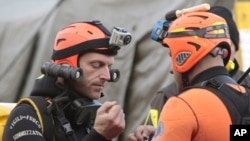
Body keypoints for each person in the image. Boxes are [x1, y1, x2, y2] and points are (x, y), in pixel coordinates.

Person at [127, 11, 249, 141]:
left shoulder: (182, 104)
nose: (171, 69)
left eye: (171, 56)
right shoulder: (245, 98)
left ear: (185, 53)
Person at [3, 20, 129, 141]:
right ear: (66, 66)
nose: (107, 76)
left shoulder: (88, 120)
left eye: (109, 67)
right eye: (96, 65)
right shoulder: (25, 117)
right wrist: (99, 136)